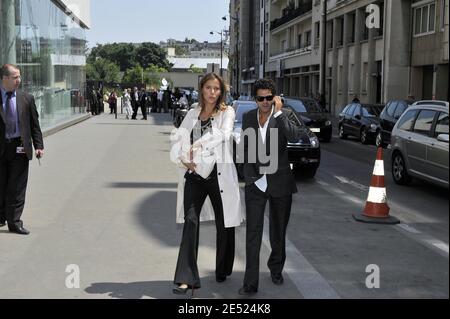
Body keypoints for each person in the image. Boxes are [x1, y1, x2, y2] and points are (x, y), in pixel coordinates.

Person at [170, 73, 244, 296]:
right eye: (209, 88)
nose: (213, 92)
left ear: (221, 91)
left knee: (225, 223)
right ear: (202, 89)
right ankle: (186, 278)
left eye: (217, 88)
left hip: (218, 176)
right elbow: (179, 138)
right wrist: (185, 158)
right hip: (195, 175)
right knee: (190, 222)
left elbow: (223, 134)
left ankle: (222, 267)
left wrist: (197, 145)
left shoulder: (226, 112)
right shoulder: (192, 112)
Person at [238, 78, 306, 295]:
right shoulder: (248, 117)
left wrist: (279, 113)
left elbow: (296, 135)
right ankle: (250, 283)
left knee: (278, 231)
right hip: (256, 183)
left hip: (280, 182)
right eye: (261, 98)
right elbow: (244, 148)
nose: (265, 102)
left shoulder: (284, 115)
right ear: (255, 99)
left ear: (275, 98)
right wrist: (249, 176)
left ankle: (276, 269)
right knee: (253, 233)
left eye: (269, 98)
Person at [0, 64, 44, 235]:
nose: (19, 80)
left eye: (19, 76)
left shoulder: (27, 98)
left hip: (20, 147)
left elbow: (35, 125)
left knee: (17, 187)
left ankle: (15, 222)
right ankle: (1, 216)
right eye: (15, 77)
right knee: (2, 185)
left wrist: (39, 145)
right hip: (1, 147)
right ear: (4, 78)